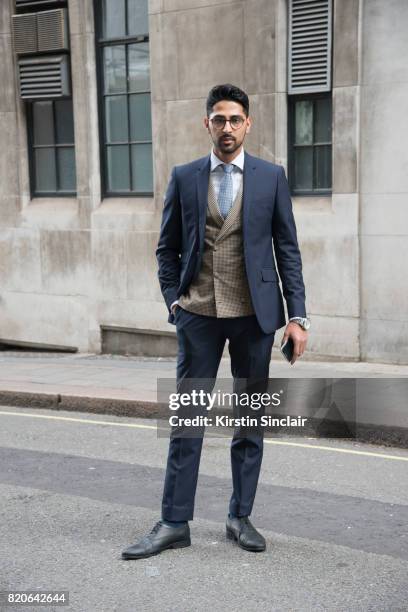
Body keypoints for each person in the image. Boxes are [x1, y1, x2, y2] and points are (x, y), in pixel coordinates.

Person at [122, 83, 309, 560]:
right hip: (199, 315)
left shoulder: (270, 177)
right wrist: (173, 302)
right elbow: (166, 248)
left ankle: (239, 516)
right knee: (187, 420)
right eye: (219, 119)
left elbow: (287, 249)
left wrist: (297, 316)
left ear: (247, 124)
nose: (227, 128)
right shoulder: (185, 177)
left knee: (249, 421)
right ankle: (174, 521)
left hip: (255, 317)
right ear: (206, 124)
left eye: (235, 120)